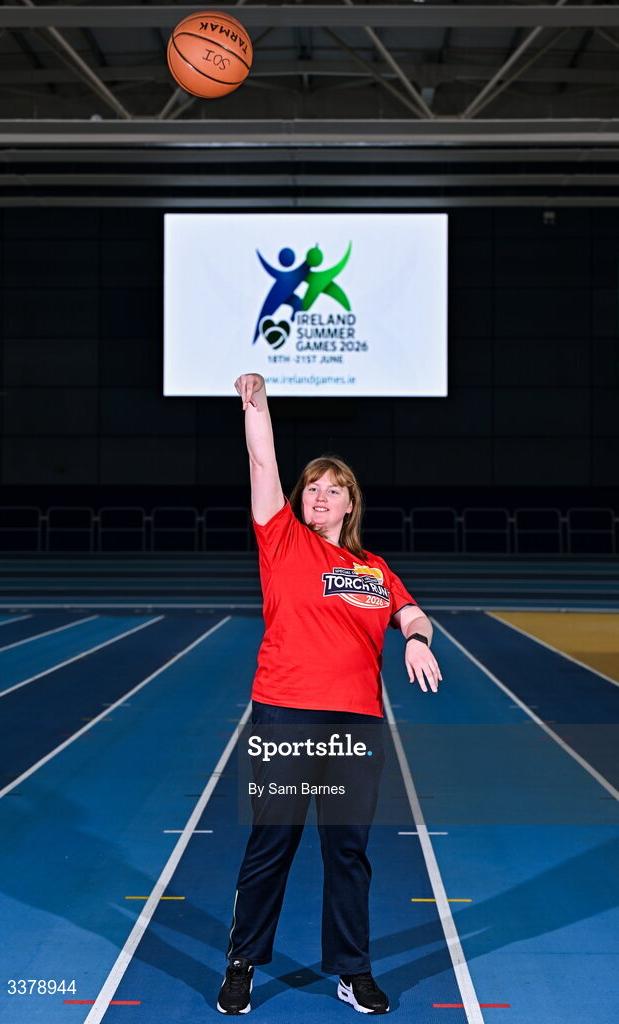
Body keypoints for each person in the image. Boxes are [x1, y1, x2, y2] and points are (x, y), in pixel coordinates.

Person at [216, 373, 442, 1016]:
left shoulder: (373, 568)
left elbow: (412, 614)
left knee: (347, 851)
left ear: (349, 503)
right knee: (272, 843)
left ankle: (353, 971)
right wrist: (255, 406)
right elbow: (263, 460)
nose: (318, 496)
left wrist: (417, 639)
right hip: (285, 713)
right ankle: (242, 964)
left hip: (355, 725)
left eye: (331, 489)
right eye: (310, 488)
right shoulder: (281, 539)